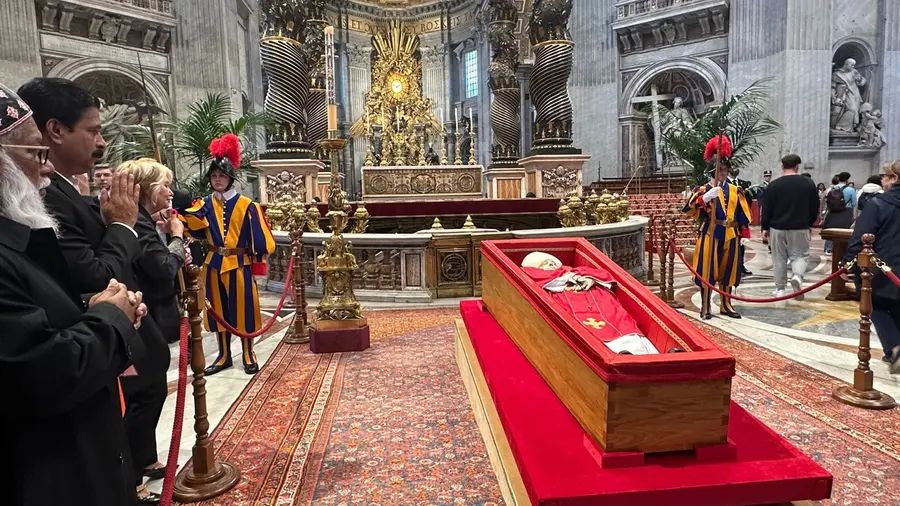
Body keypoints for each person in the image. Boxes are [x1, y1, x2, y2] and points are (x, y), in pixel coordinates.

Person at [18, 77, 169, 505]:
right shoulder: (47, 201)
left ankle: (135, 466)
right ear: (55, 130)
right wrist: (121, 224)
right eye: (94, 130)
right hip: (85, 345)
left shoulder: (66, 192)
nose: (101, 142)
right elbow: (97, 274)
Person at [181, 133, 276, 375]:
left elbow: (263, 240)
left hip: (239, 264)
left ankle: (248, 352)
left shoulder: (248, 206)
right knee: (217, 311)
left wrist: (255, 260)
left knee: (245, 310)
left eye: (221, 175)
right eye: (213, 176)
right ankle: (224, 356)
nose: (217, 179)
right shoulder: (203, 204)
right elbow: (189, 222)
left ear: (230, 177)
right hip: (213, 264)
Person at [520, 252, 667, 355]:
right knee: (588, 334)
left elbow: (604, 275)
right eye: (545, 264)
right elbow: (533, 278)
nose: (551, 265)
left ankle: (652, 358)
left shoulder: (577, 271)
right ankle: (619, 356)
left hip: (601, 302)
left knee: (622, 324)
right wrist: (569, 279)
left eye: (552, 262)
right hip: (571, 306)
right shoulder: (546, 280)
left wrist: (590, 279)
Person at [682, 135, 752, 320]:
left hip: (731, 233)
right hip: (711, 233)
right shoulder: (704, 189)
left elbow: (742, 213)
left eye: (725, 169)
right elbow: (688, 209)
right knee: (707, 270)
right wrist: (703, 199)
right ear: (712, 171)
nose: (722, 172)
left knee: (729, 271)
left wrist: (744, 233)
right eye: (719, 169)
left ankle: (726, 304)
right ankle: (705, 306)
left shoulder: (736, 190)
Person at [841, 161, 900, 373]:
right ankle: (891, 351)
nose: (882, 180)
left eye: (885, 176)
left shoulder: (879, 204)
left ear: (894, 179)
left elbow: (862, 237)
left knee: (876, 304)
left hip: (883, 266)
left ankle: (894, 347)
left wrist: (847, 263)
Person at [761, 154, 820, 300]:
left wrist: (765, 227)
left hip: (777, 227)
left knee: (779, 258)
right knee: (800, 255)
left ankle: (780, 289)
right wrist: (810, 223)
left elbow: (766, 208)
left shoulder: (774, 185)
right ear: (797, 167)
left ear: (782, 167)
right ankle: (797, 277)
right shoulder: (808, 183)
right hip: (800, 226)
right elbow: (815, 207)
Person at [822, 171, 856, 254]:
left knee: (831, 229)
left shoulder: (831, 189)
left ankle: (828, 248)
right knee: (844, 230)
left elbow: (826, 201)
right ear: (847, 180)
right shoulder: (851, 190)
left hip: (832, 211)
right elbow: (854, 204)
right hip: (846, 211)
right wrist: (854, 216)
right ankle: (842, 249)